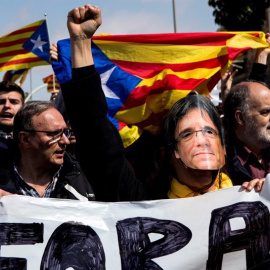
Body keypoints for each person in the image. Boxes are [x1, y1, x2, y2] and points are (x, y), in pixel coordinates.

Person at [57, 4, 263, 202]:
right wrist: (82, 43)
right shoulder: (147, 203)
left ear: (224, 149)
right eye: (187, 134)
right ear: (169, 152)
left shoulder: (249, 196)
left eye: (210, 131)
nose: (203, 140)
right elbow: (96, 135)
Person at [0, 100, 95, 201]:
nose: (65, 141)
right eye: (54, 134)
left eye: (65, 132)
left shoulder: (84, 178)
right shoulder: (3, 181)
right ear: (25, 139)